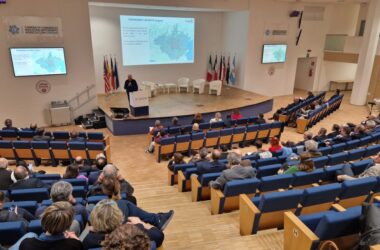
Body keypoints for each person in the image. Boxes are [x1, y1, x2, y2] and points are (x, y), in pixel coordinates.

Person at [83, 200, 163, 249]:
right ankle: (157, 219)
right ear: (119, 216)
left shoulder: (88, 240)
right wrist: (141, 223)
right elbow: (159, 236)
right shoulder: (134, 232)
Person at [19, 202, 83, 250]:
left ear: (43, 220)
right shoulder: (74, 245)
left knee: (30, 234)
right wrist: (77, 241)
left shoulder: (26, 244)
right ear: (68, 225)